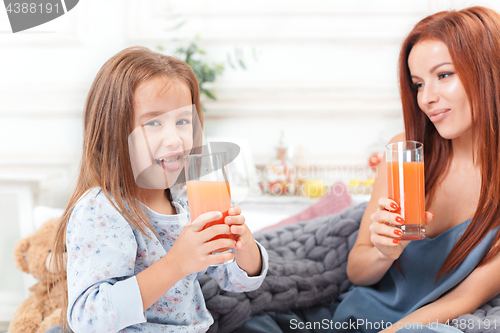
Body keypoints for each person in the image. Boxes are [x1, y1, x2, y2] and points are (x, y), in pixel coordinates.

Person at [237, 6, 500, 333]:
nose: (426, 98)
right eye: (418, 84)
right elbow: (359, 272)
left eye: (444, 75)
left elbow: (462, 300)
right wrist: (383, 252)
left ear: (489, 70)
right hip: (350, 318)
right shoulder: (406, 152)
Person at [52, 46, 269, 333]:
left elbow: (237, 280)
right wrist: (177, 263)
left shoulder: (188, 202)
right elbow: (89, 319)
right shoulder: (102, 209)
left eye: (182, 121)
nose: (175, 140)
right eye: (153, 122)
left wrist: (244, 243)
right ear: (113, 130)